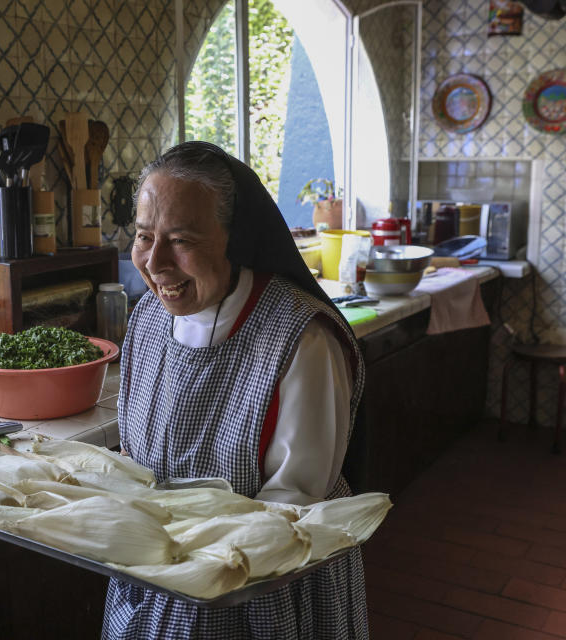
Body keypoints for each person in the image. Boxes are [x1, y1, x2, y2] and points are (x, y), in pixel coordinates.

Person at [102, 141, 368, 639]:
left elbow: (295, 501)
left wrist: (186, 557)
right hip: (153, 578)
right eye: (143, 236)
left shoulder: (300, 338)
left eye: (180, 239)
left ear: (235, 238)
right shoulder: (146, 320)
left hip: (262, 587)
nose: (155, 262)